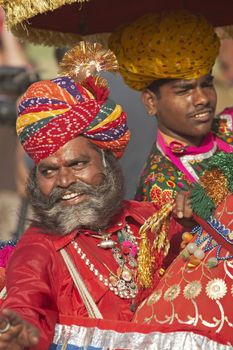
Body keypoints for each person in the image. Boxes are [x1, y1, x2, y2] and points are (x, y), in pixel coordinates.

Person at [0, 41, 192, 349]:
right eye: (48, 171)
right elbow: (25, 300)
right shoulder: (39, 247)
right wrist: (19, 329)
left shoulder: (147, 220)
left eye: (77, 164)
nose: (64, 180)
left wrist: (196, 226)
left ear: (106, 161)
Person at [109, 10, 233, 265]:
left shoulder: (227, 126)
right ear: (151, 101)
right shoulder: (161, 185)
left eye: (206, 84)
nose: (202, 99)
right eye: (184, 90)